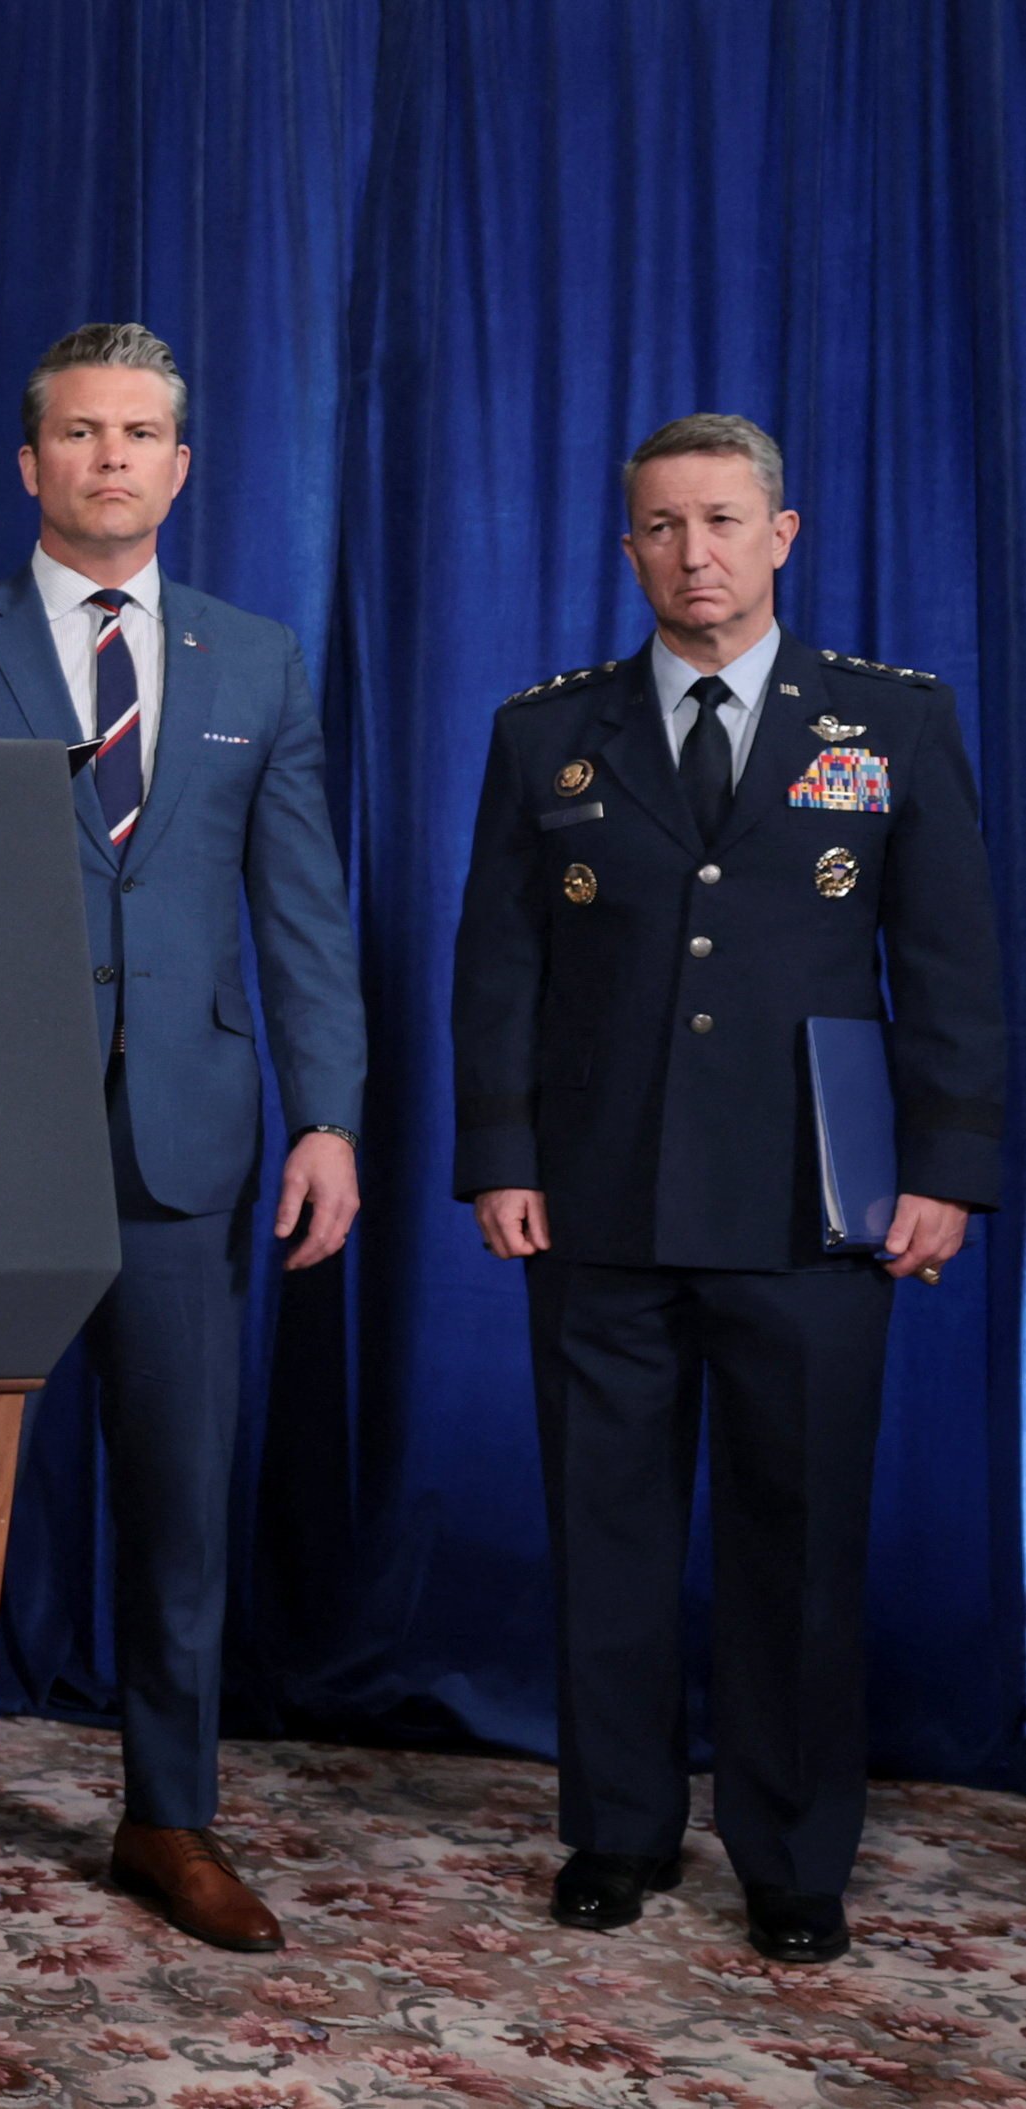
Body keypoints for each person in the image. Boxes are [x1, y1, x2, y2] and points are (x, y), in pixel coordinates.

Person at [451, 413, 1001, 1965]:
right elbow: (496, 966)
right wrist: (497, 1154)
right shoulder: (545, 733)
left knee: (801, 1538)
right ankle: (615, 1831)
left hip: (808, 1207)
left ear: (783, 534)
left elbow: (952, 962)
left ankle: (791, 1852)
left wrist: (948, 1170)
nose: (694, 552)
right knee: (606, 1531)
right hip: (599, 1200)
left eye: (721, 520)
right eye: (661, 525)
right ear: (626, 547)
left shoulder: (889, 723)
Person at [0, 323, 364, 1953]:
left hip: (187, 1147)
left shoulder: (256, 661)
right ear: (32, 462)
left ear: (182, 463)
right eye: (82, 432)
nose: (113, 457)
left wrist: (331, 1114)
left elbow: (301, 914)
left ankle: (169, 1811)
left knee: (179, 1499)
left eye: (143, 432)